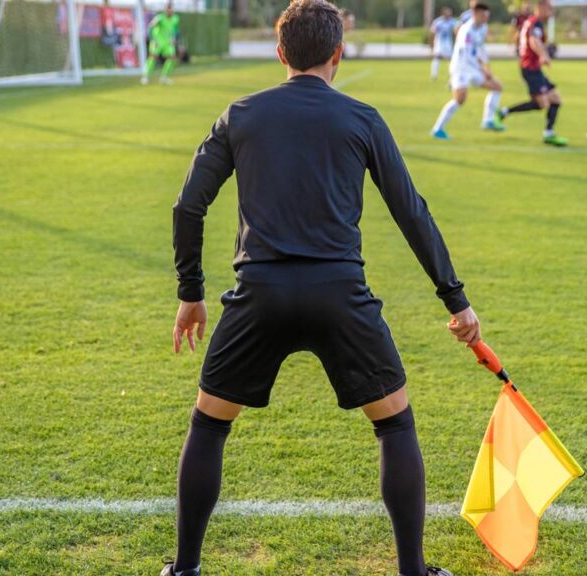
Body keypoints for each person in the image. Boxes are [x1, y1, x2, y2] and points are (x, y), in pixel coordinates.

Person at [164, 2, 480, 576]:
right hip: (340, 294)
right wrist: (454, 299)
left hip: (259, 293)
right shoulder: (362, 118)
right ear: (338, 54)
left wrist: (191, 291)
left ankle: (184, 570)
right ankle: (413, 570)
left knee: (210, 424)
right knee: (395, 424)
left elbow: (189, 204)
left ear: (280, 53)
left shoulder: (241, 114)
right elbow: (411, 212)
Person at [496, 0, 569, 146]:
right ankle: (504, 112)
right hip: (530, 68)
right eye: (549, 9)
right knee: (542, 103)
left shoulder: (530, 21)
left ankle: (549, 133)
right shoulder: (536, 22)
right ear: (541, 7)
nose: (551, 13)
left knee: (555, 99)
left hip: (533, 67)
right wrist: (543, 55)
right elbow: (534, 40)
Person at [431, 3, 505, 139]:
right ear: (475, 14)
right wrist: (483, 69)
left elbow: (480, 49)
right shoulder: (467, 30)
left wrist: (486, 66)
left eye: (487, 16)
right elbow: (467, 54)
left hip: (474, 68)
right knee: (460, 99)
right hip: (461, 68)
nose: (485, 19)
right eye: (483, 16)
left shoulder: (482, 28)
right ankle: (437, 129)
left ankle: (487, 120)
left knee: (497, 87)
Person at [143, 2, 180, 85]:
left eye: (171, 8)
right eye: (168, 8)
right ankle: (146, 77)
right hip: (157, 41)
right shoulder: (160, 18)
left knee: (172, 58)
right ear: (165, 9)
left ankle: (164, 77)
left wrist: (174, 38)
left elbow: (176, 30)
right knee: (153, 58)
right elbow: (150, 27)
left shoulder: (175, 18)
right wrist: (153, 39)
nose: (169, 10)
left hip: (167, 42)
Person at [430, 7, 456, 80]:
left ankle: (452, 74)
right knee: (436, 58)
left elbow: (457, 30)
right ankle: (434, 75)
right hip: (439, 43)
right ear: (444, 13)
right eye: (448, 12)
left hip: (448, 43)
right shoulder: (438, 22)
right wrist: (432, 45)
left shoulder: (452, 21)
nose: (449, 14)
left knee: (451, 60)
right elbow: (432, 33)